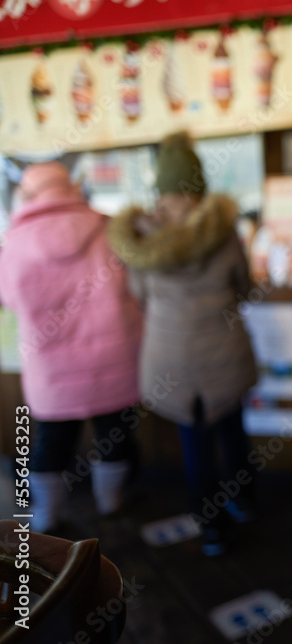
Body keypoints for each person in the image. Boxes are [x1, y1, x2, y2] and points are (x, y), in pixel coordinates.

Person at [107, 132, 258, 556]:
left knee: (194, 441)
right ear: (199, 184)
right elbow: (244, 287)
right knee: (231, 429)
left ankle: (211, 528)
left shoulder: (140, 239)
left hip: (169, 356)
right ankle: (245, 501)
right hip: (223, 351)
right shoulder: (224, 231)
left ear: (161, 188)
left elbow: (139, 294)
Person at [0, 162, 142, 533]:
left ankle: (46, 514)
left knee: (52, 442)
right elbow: (137, 286)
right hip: (115, 357)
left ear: (28, 193)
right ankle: (111, 501)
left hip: (51, 368)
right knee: (114, 433)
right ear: (70, 187)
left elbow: (10, 299)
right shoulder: (108, 228)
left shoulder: (14, 242)